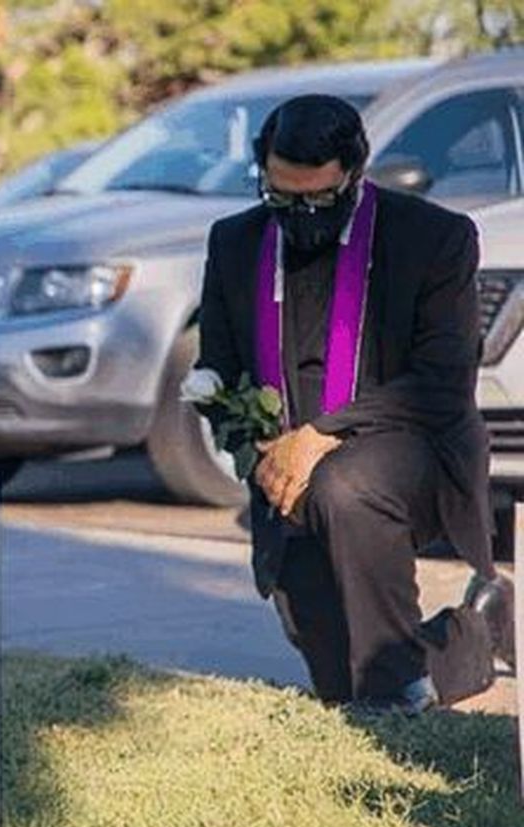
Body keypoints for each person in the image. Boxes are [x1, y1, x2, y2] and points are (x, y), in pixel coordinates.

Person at [196, 95, 513, 714]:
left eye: (319, 200)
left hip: (413, 449)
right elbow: (217, 370)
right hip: (287, 463)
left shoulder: (433, 239)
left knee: (344, 486)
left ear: (356, 175)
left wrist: (318, 437)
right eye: (282, 199)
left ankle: (393, 697)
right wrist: (256, 449)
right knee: (339, 681)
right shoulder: (236, 243)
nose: (300, 217)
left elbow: (441, 383)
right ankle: (477, 633)